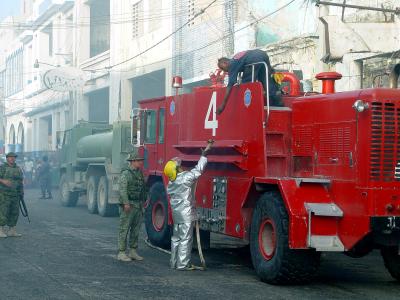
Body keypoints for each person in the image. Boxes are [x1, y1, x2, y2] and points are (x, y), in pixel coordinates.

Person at [164, 140, 214, 271]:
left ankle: (173, 262)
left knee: (176, 238)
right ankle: (182, 264)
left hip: (176, 214)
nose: (181, 166)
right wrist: (204, 154)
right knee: (186, 239)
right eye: (179, 166)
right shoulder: (185, 178)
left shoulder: (171, 183)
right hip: (185, 214)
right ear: (176, 170)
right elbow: (198, 170)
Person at [216, 49, 281, 114]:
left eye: (222, 68)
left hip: (253, 59)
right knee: (266, 80)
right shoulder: (236, 58)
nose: (224, 70)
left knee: (246, 85)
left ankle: (250, 107)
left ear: (225, 63)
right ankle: (277, 102)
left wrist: (223, 105)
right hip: (262, 54)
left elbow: (230, 85)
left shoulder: (232, 64)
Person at [117, 152, 148, 262]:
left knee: (136, 229)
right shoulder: (126, 173)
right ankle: (121, 252)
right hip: (129, 205)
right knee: (124, 228)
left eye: (141, 160)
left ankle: (133, 251)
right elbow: (122, 189)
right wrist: (126, 203)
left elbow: (143, 188)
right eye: (139, 161)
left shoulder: (139, 173)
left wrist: (144, 200)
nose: (141, 162)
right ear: (133, 161)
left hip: (138, 205)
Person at [0, 152, 24, 238]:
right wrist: (3, 181)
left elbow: (21, 181)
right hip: (4, 194)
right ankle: (0, 230)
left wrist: (22, 192)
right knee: (3, 212)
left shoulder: (18, 169)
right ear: (7, 158)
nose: (12, 159)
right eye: (10, 157)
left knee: (14, 212)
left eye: (14, 157)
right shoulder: (2, 168)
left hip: (15, 194)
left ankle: (12, 230)